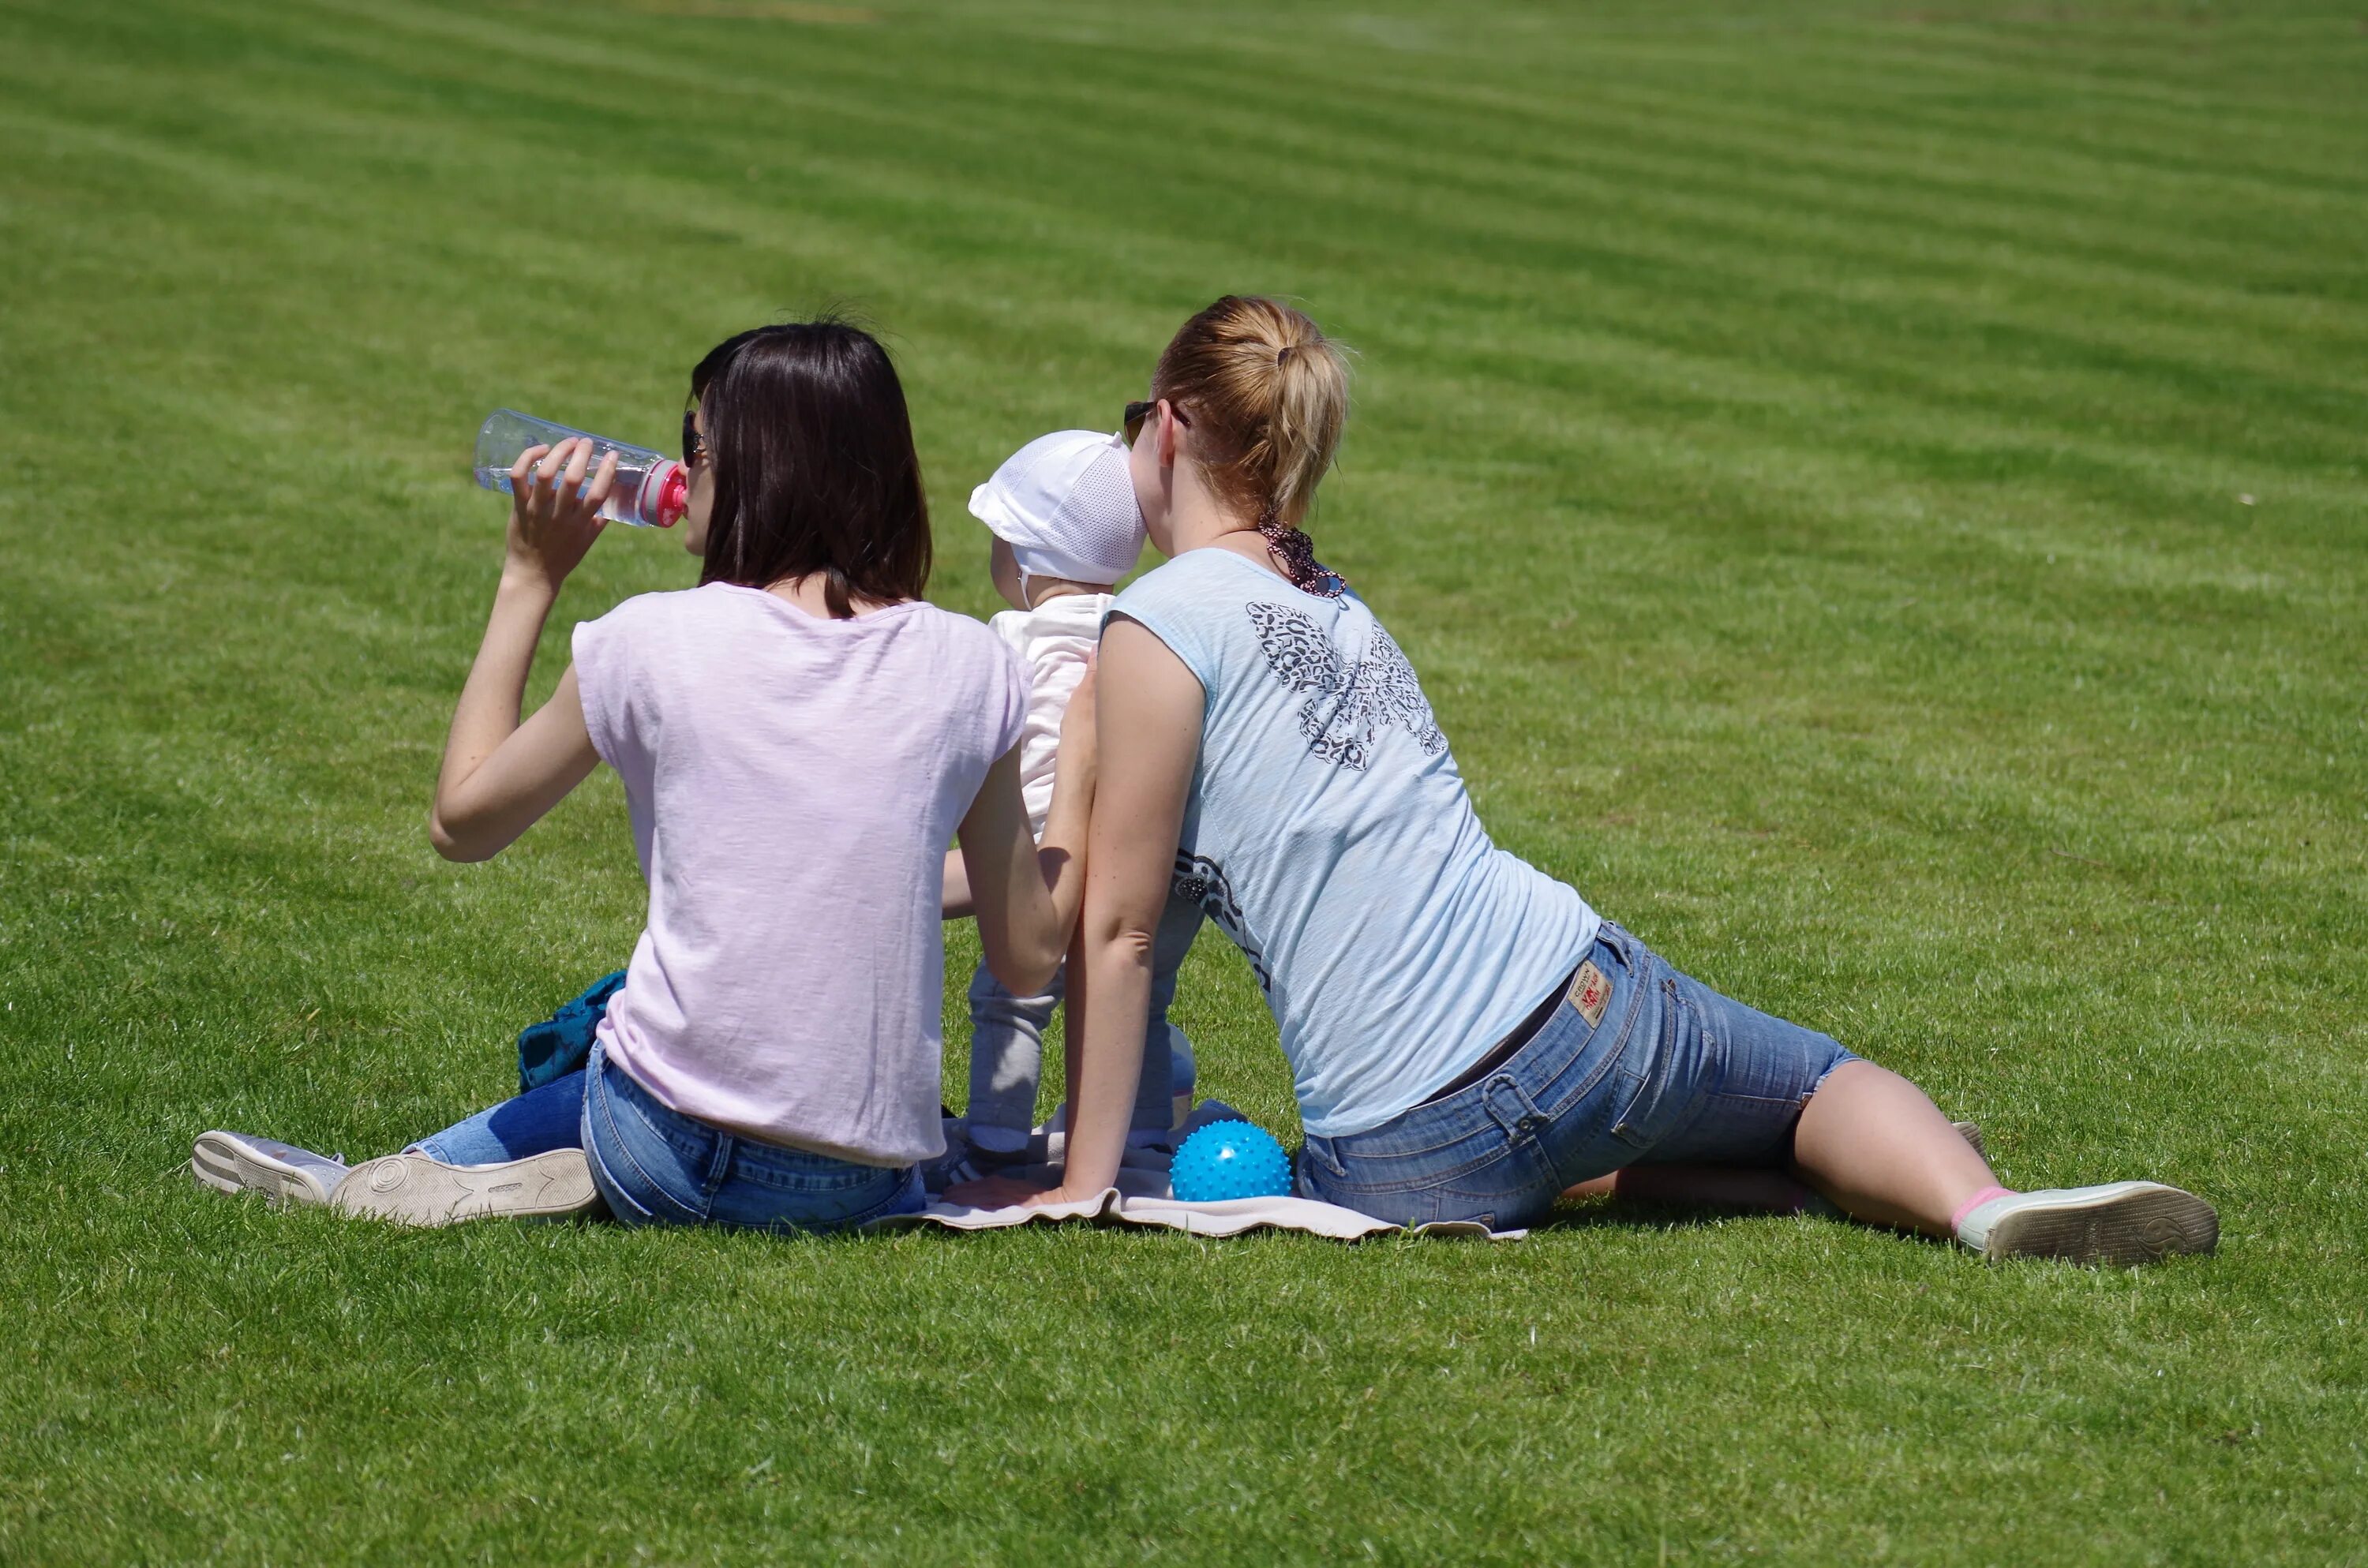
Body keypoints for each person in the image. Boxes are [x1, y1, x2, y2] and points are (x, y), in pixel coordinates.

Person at [961, 295, 2217, 1267]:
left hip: (1411, 1155)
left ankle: (1792, 1173)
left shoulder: (1151, 626)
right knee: (1818, 1084)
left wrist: (1085, 1184)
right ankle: (1972, 1202)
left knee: (1595, 1147)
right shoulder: (1339, 600)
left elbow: (1117, 930)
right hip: (1588, 1013)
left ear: (1170, 422)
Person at [192, 320, 1092, 1232]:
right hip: (860, 1182)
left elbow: (462, 822)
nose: (678, 464)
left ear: (748, 467)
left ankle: (412, 1173)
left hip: (664, 1149)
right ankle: (542, 1157)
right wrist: (1083, 783)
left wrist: (529, 576)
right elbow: (1026, 953)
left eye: (694, 442)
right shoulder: (970, 664)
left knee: (599, 1027)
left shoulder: (651, 639)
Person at [935, 432, 1201, 1181]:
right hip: (1151, 855)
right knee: (1138, 996)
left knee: (1011, 989)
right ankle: (1144, 1133)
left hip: (1046, 853)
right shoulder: (1144, 627)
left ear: (1023, 556)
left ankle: (993, 1134)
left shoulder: (1011, 638)